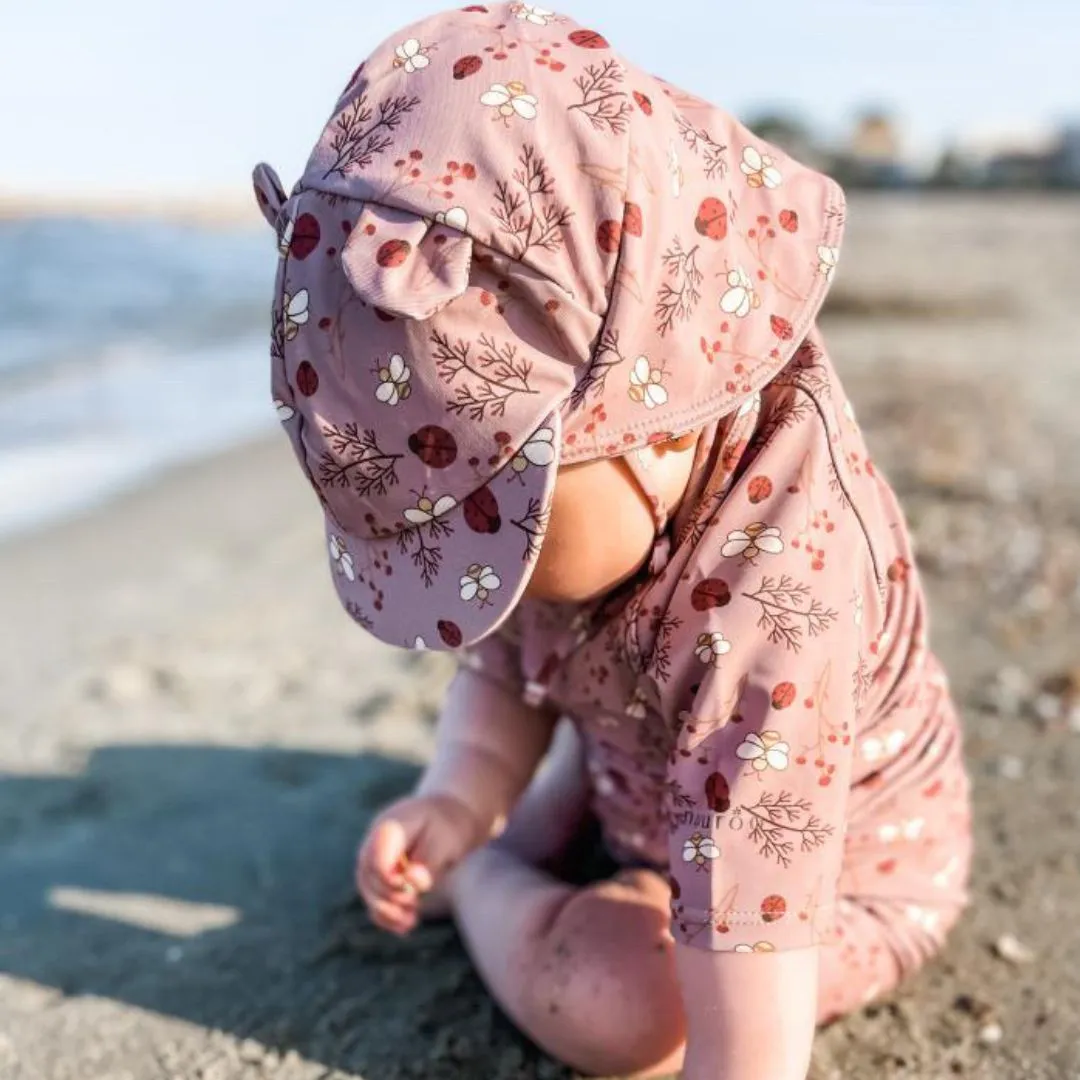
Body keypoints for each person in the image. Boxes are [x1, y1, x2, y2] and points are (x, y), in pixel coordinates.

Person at [252, 5, 972, 1077]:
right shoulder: (581, 521)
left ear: (653, 407)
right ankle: (517, 837)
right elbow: (504, 669)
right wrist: (460, 794)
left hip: (825, 873)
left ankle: (489, 887)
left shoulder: (784, 596)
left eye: (496, 530)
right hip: (636, 770)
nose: (486, 587)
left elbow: (751, 890)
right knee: (547, 773)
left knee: (621, 1007)